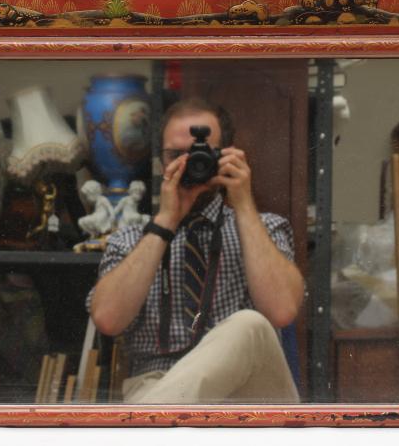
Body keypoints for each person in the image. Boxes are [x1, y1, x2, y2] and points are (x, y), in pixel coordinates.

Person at [87, 98, 304, 403]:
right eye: (177, 154)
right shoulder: (131, 238)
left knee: (249, 324)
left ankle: (142, 431)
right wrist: (164, 222)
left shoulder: (264, 228)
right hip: (156, 384)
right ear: (161, 160)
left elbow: (281, 311)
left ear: (227, 154)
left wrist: (243, 203)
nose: (190, 164)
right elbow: (108, 319)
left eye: (202, 153)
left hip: (248, 394)